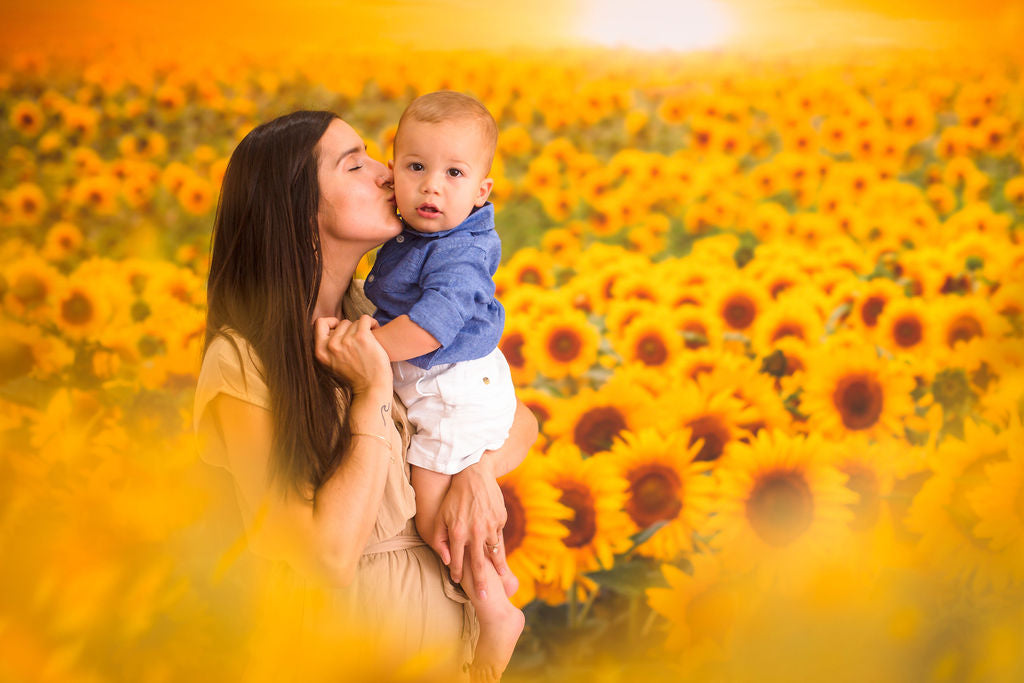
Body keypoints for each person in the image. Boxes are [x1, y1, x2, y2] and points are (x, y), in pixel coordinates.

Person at [192, 110, 537, 682]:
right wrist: (372, 389)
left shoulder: (384, 315)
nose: (388, 173)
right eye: (355, 165)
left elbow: (520, 421)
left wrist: (475, 471)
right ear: (299, 211)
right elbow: (325, 555)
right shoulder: (244, 359)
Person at [364, 91, 523, 681]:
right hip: (450, 381)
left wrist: (366, 351)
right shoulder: (421, 237)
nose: (431, 186)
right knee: (451, 505)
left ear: (482, 190)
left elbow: (434, 324)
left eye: (454, 173)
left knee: (434, 519)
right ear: (392, 172)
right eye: (416, 167)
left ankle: (495, 610)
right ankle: (497, 577)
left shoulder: (459, 251)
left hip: (452, 387)